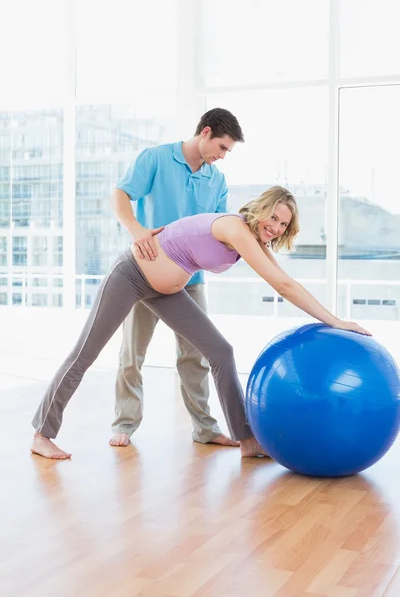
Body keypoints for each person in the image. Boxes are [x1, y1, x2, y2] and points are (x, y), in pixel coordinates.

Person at [31, 185, 371, 460]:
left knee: (220, 351)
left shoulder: (252, 242)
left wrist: (334, 320)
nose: (276, 227)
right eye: (274, 217)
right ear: (262, 208)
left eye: (284, 225)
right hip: (131, 275)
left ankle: (247, 439)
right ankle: (42, 434)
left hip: (165, 292)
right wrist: (337, 321)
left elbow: (287, 283)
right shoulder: (234, 227)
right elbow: (281, 285)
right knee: (84, 354)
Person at [109, 108, 244, 449]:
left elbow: (219, 229)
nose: (223, 156)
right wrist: (137, 230)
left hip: (191, 279)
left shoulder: (217, 180)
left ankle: (205, 428)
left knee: (195, 355)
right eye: (223, 147)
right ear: (206, 132)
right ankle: (124, 424)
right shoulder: (156, 159)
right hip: (147, 271)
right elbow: (121, 195)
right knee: (132, 354)